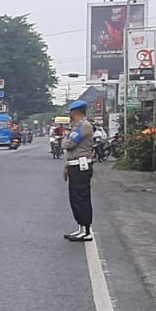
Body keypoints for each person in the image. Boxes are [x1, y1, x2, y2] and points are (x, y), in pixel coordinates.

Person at [61, 100, 97, 242]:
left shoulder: (84, 126)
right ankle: (80, 228)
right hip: (74, 166)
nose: (70, 115)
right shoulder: (77, 126)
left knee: (82, 198)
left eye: (71, 112)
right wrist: (66, 166)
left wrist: (64, 140)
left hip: (81, 167)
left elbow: (69, 144)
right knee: (75, 199)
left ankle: (86, 230)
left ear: (75, 112)